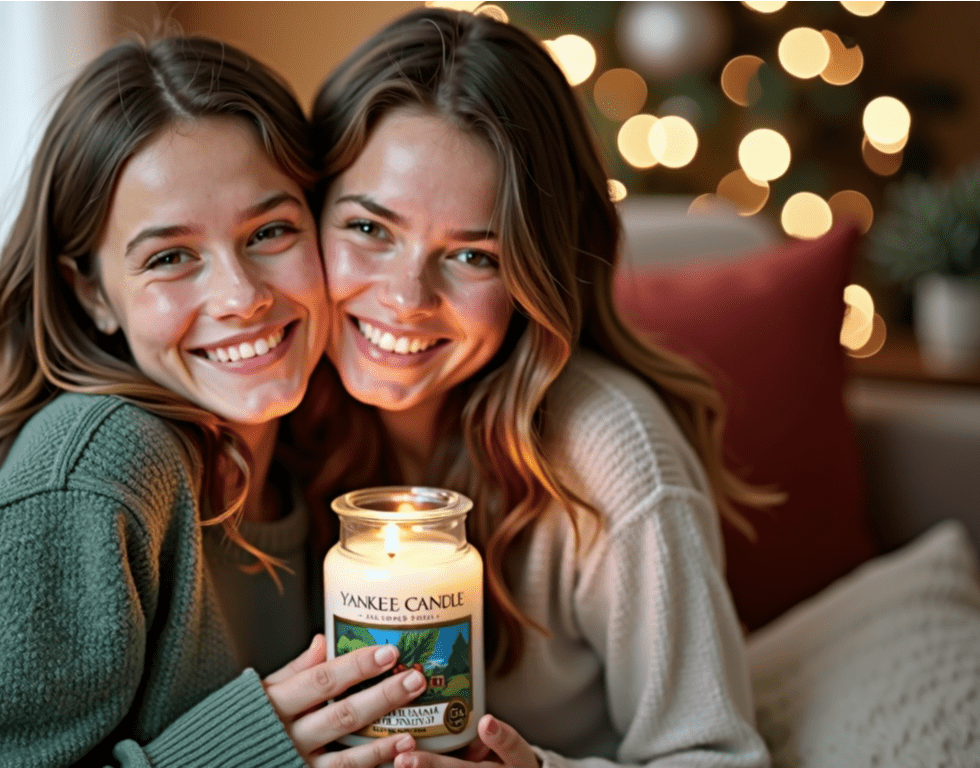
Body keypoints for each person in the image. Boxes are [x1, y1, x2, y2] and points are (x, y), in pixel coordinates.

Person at [0, 36, 429, 768]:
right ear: (93, 293)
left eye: (270, 232)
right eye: (170, 257)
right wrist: (232, 755)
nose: (241, 296)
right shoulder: (100, 468)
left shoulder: (312, 460)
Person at [290, 8, 780, 767]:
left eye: (474, 256)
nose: (407, 298)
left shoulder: (613, 454)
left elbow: (717, 756)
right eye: (370, 229)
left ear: (535, 270)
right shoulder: (269, 412)